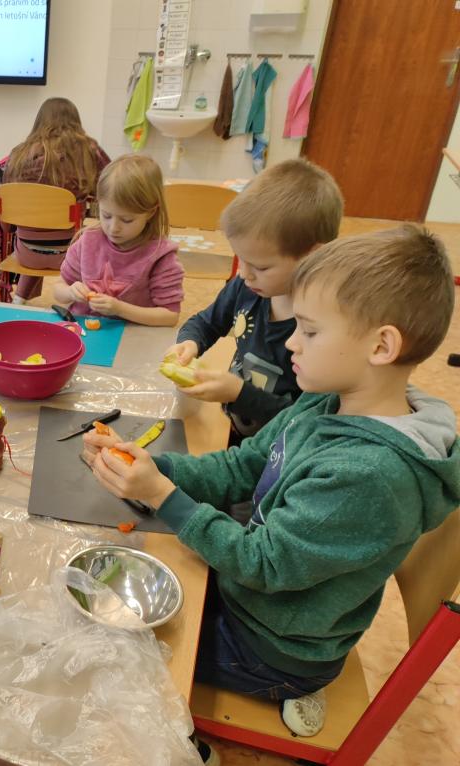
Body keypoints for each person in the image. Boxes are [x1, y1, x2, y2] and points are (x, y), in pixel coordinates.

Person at [85, 224, 460, 739]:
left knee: (112, 646)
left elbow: (263, 563)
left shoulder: (368, 475)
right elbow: (244, 467)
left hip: (272, 646)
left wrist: (162, 497)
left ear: (381, 345)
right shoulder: (329, 395)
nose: (291, 343)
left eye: (309, 331)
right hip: (257, 596)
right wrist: (158, 469)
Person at [165, 158, 343, 437]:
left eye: (261, 267)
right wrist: (190, 343)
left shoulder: (322, 328)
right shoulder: (247, 287)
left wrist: (239, 394)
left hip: (278, 447)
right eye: (240, 259)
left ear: (312, 256)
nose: (244, 274)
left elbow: (307, 421)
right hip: (234, 427)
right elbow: (206, 323)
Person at [0, 97, 110, 302]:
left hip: (26, 253)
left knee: (38, 225)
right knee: (82, 231)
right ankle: (79, 298)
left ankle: (19, 299)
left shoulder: (20, 153)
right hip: (71, 255)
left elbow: (6, 225)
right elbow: (110, 183)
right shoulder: (89, 150)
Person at [52, 154, 184, 326]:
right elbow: (58, 289)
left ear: (151, 212)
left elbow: (170, 316)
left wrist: (120, 309)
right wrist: (70, 292)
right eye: (106, 215)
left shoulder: (160, 256)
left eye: (127, 220)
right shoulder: (87, 242)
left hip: (132, 335)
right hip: (83, 330)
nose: (114, 228)